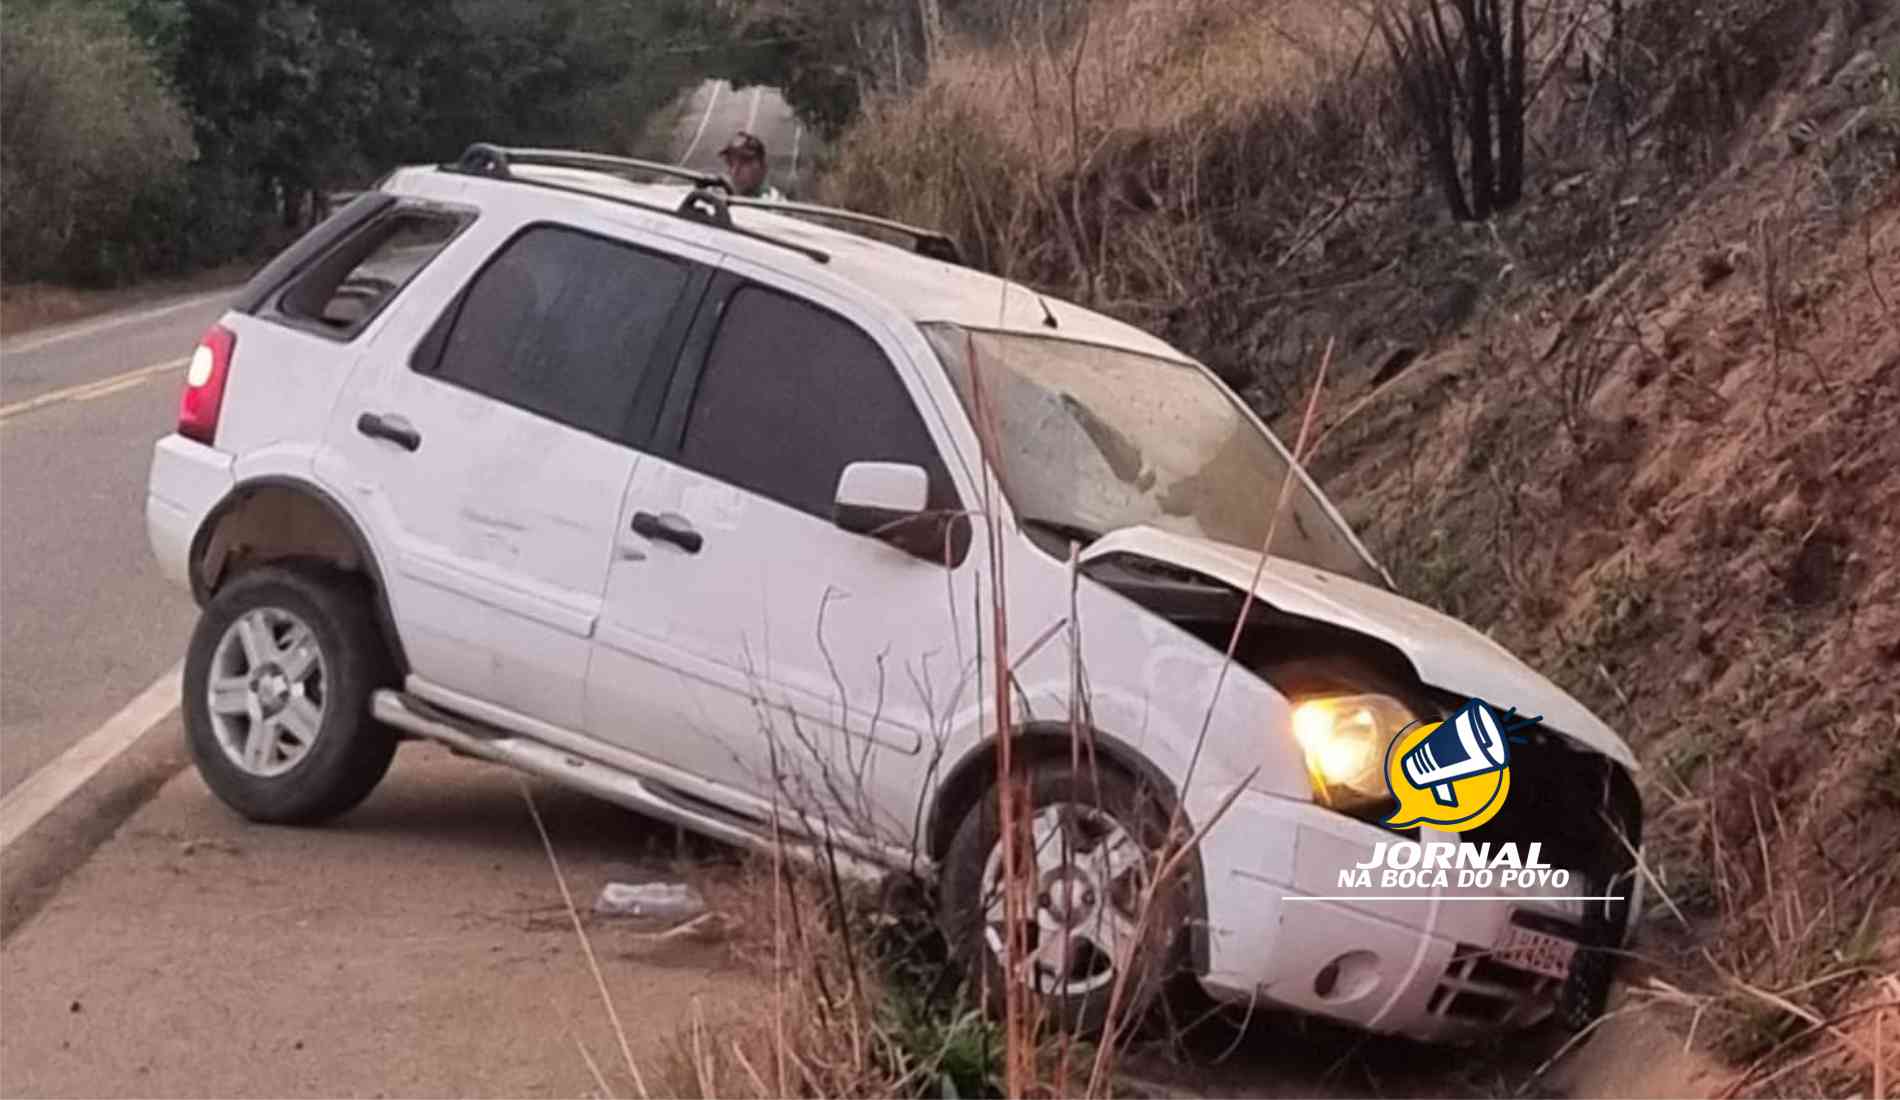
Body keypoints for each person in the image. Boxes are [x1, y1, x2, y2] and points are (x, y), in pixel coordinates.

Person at [717, 131, 783, 201]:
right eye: (730, 163)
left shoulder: (777, 206)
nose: (734, 171)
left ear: (763, 167)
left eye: (743, 163)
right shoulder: (719, 199)